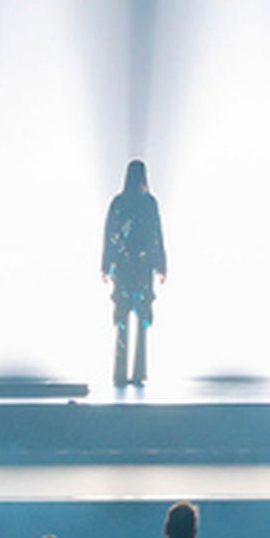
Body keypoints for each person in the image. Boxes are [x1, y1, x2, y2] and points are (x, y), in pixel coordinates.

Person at [102, 159, 168, 387]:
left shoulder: (122, 203)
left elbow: (111, 235)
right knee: (136, 319)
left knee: (127, 319)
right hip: (138, 268)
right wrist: (160, 264)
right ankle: (135, 373)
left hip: (128, 267)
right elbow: (156, 235)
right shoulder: (147, 203)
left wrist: (107, 265)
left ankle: (123, 374)